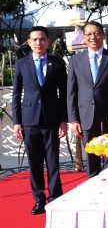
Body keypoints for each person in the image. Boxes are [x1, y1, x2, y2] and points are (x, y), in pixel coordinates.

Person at [12, 26, 67, 215]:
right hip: (29, 120)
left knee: (53, 161)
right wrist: (16, 122)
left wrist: (64, 120)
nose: (38, 42)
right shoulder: (22, 63)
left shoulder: (57, 63)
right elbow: (16, 94)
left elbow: (64, 94)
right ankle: (39, 199)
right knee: (34, 162)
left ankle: (55, 197)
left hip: (52, 119)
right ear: (28, 42)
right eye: (34, 39)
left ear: (48, 41)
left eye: (42, 39)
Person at [67, 21, 108, 178]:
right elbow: (71, 92)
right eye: (88, 34)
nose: (92, 37)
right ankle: (92, 188)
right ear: (84, 37)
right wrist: (74, 120)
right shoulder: (75, 61)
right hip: (85, 116)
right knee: (91, 159)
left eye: (96, 33)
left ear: (103, 35)